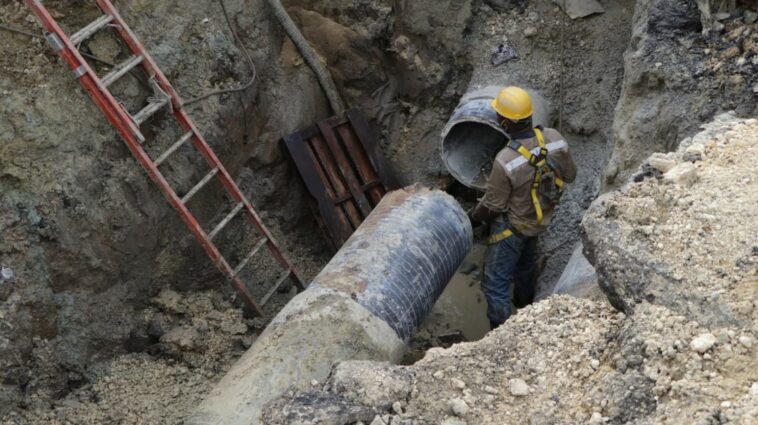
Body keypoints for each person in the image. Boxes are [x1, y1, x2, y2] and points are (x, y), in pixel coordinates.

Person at [468, 86, 577, 329]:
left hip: (513, 228)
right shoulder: (555, 139)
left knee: (495, 286)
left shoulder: (506, 160)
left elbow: (493, 206)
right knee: (525, 266)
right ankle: (525, 305)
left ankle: (503, 336)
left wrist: (473, 219)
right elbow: (571, 175)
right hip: (540, 220)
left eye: (499, 116)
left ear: (505, 122)